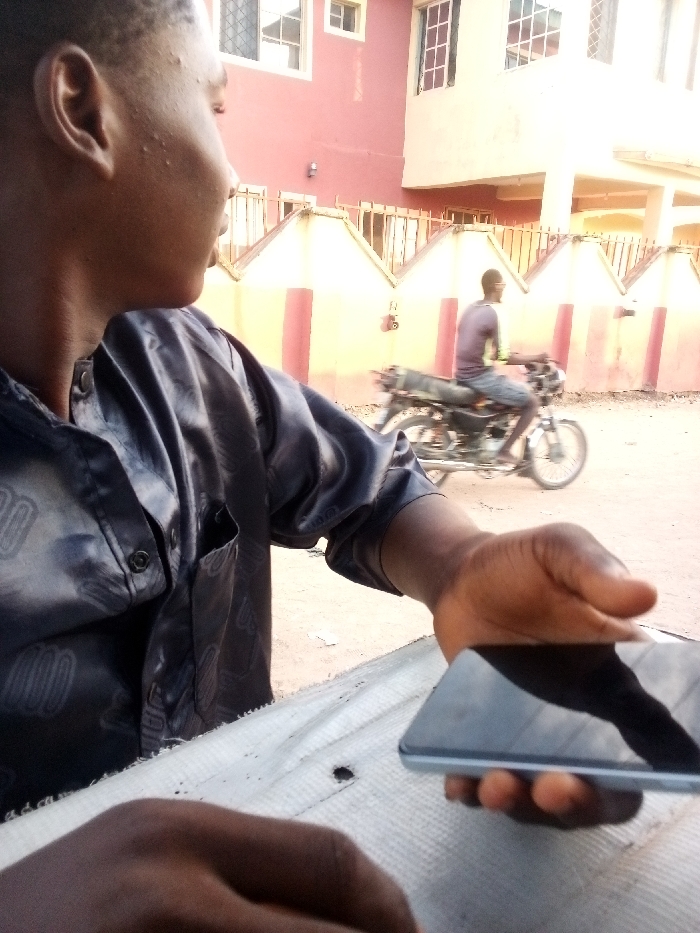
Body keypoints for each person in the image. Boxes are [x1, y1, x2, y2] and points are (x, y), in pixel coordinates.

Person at [0, 1, 658, 930]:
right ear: (83, 110)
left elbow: (369, 487)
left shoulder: (193, 365)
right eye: (216, 109)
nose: (234, 173)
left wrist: (461, 567)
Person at [454, 268, 549, 465]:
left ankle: (492, 437)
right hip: (480, 377)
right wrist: (538, 358)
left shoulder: (471, 308)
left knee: (507, 392)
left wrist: (523, 359)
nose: (504, 288)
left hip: (462, 373)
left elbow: (478, 345)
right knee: (532, 402)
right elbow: (504, 356)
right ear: (496, 286)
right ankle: (504, 451)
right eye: (503, 284)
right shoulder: (496, 312)